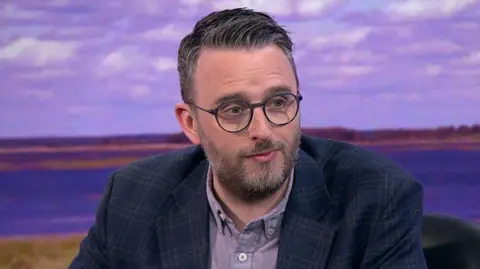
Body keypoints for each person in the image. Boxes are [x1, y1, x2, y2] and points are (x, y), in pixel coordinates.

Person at [68, 7, 427, 269]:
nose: (264, 130)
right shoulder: (133, 196)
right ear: (190, 123)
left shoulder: (378, 196)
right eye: (234, 109)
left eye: (279, 102)